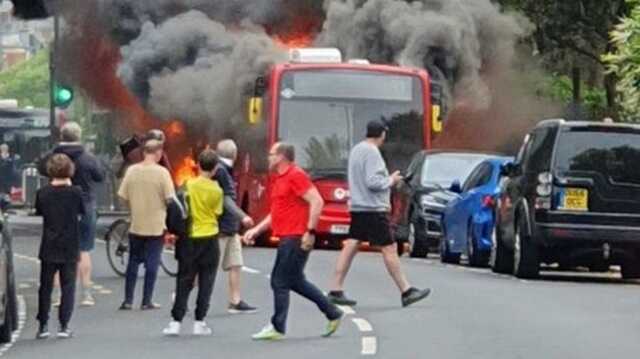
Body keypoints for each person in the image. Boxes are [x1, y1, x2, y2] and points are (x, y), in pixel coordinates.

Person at [244, 142, 343, 341]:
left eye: (272, 154)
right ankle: (332, 312)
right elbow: (276, 212)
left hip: (296, 236)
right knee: (295, 281)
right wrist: (256, 230)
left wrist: (310, 231)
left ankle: (277, 326)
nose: (269, 158)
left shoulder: (296, 175)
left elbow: (317, 200)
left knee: (279, 281)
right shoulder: (279, 179)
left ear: (282, 156)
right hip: (287, 235)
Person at [327, 120, 431, 308]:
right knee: (389, 248)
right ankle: (406, 290)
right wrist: (390, 180)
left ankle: (335, 288)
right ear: (382, 134)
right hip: (373, 209)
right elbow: (373, 182)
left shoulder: (357, 150)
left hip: (358, 206)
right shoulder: (372, 152)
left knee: (351, 244)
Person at [37, 122, 105, 307]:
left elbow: (41, 168)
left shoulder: (52, 156)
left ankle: (58, 296)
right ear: (79, 136)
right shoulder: (88, 158)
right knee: (83, 250)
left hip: (57, 205)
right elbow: (100, 176)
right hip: (86, 204)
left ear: (61, 136)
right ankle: (87, 294)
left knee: (59, 251)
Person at [163, 149, 224, 336]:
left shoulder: (188, 185)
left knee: (184, 280)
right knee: (207, 281)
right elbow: (218, 213)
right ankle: (200, 321)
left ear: (198, 165)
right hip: (210, 238)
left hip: (189, 238)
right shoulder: (217, 190)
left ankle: (176, 321)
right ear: (215, 169)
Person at [117, 139, 175, 310]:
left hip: (137, 223)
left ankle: (128, 300)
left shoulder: (132, 171)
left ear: (143, 152)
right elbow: (169, 198)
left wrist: (132, 207)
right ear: (158, 153)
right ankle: (146, 300)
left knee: (133, 261)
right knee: (152, 262)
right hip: (156, 225)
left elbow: (122, 196)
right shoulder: (162, 173)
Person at [34, 154, 85, 339]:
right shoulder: (76, 192)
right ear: (70, 170)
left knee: (45, 286)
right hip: (70, 244)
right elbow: (82, 212)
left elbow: (39, 210)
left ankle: (43, 325)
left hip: (49, 243)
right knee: (68, 285)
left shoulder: (43, 193)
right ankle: (64, 325)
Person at [215, 139, 257, 314]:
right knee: (207, 266)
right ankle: (180, 294)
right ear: (235, 154)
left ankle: (235, 301)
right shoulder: (222, 171)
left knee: (236, 264)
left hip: (230, 228)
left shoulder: (223, 169)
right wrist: (243, 216)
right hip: (221, 228)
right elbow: (225, 199)